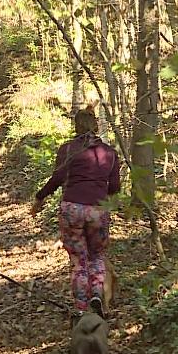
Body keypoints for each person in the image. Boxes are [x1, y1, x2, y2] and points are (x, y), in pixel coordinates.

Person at [30, 104, 120, 318]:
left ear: (76, 127)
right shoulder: (110, 153)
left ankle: (80, 307)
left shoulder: (67, 149)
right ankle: (97, 294)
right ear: (96, 126)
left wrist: (39, 198)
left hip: (71, 208)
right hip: (97, 210)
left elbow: (57, 179)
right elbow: (115, 188)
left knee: (79, 260)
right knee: (97, 256)